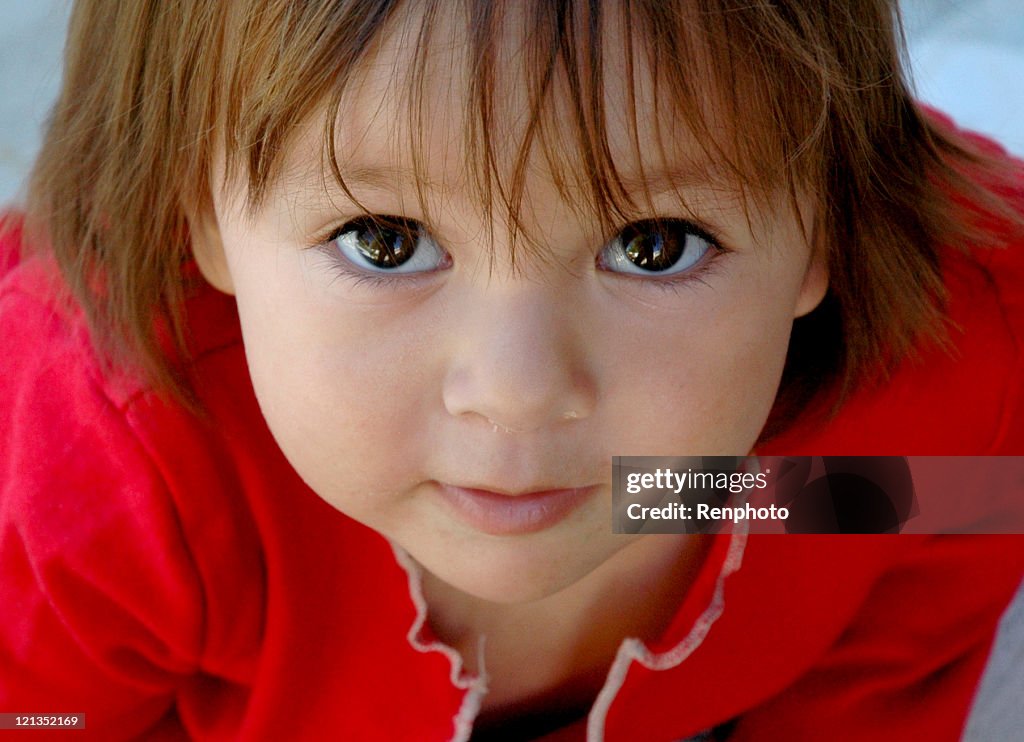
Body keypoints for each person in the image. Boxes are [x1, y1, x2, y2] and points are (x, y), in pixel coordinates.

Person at [1, 1, 1022, 739]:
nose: (518, 389)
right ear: (200, 217)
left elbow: (889, 661)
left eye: (656, 244)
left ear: (825, 232)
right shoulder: (111, 460)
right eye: (386, 241)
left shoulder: (935, 401)